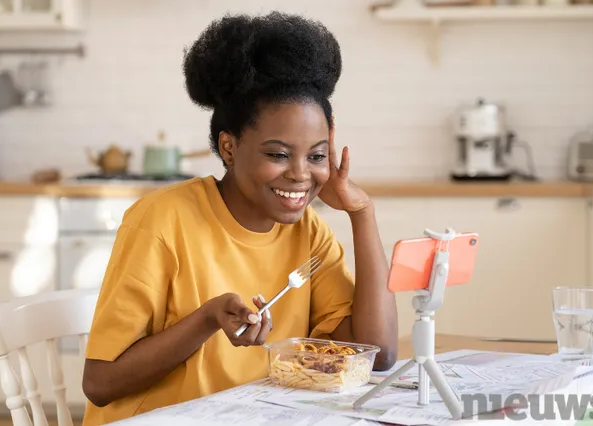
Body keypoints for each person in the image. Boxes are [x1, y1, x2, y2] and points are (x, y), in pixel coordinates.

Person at [81, 11, 398, 426]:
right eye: (278, 154)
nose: (301, 174)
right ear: (229, 148)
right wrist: (207, 319)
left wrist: (362, 214)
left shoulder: (308, 233)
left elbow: (377, 354)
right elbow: (100, 384)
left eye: (317, 155)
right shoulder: (161, 221)